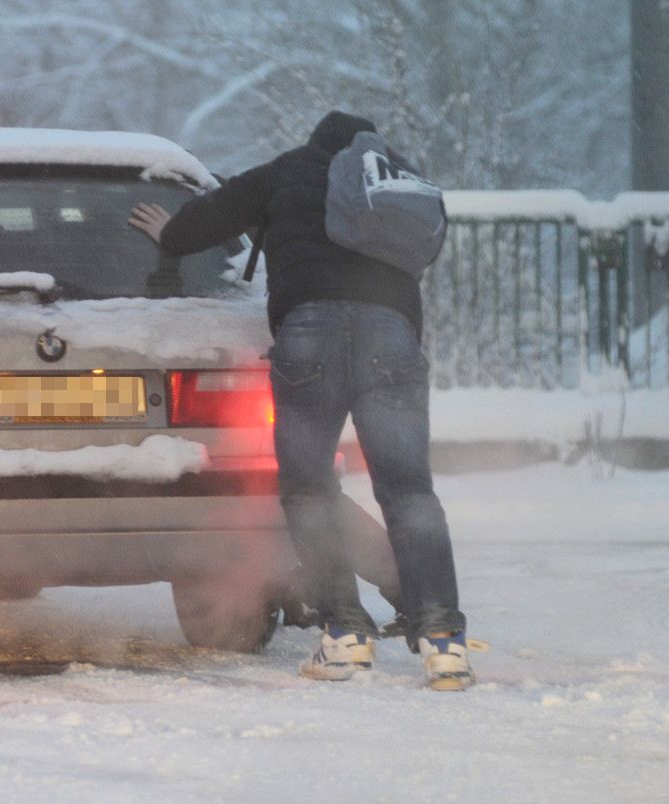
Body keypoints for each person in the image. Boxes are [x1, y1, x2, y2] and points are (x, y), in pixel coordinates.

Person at [129, 110, 474, 690]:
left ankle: (344, 637)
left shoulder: (289, 171)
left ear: (317, 143)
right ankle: (444, 642)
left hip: (307, 334)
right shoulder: (391, 180)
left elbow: (199, 227)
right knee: (409, 489)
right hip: (391, 334)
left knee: (310, 489)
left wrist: (168, 232)